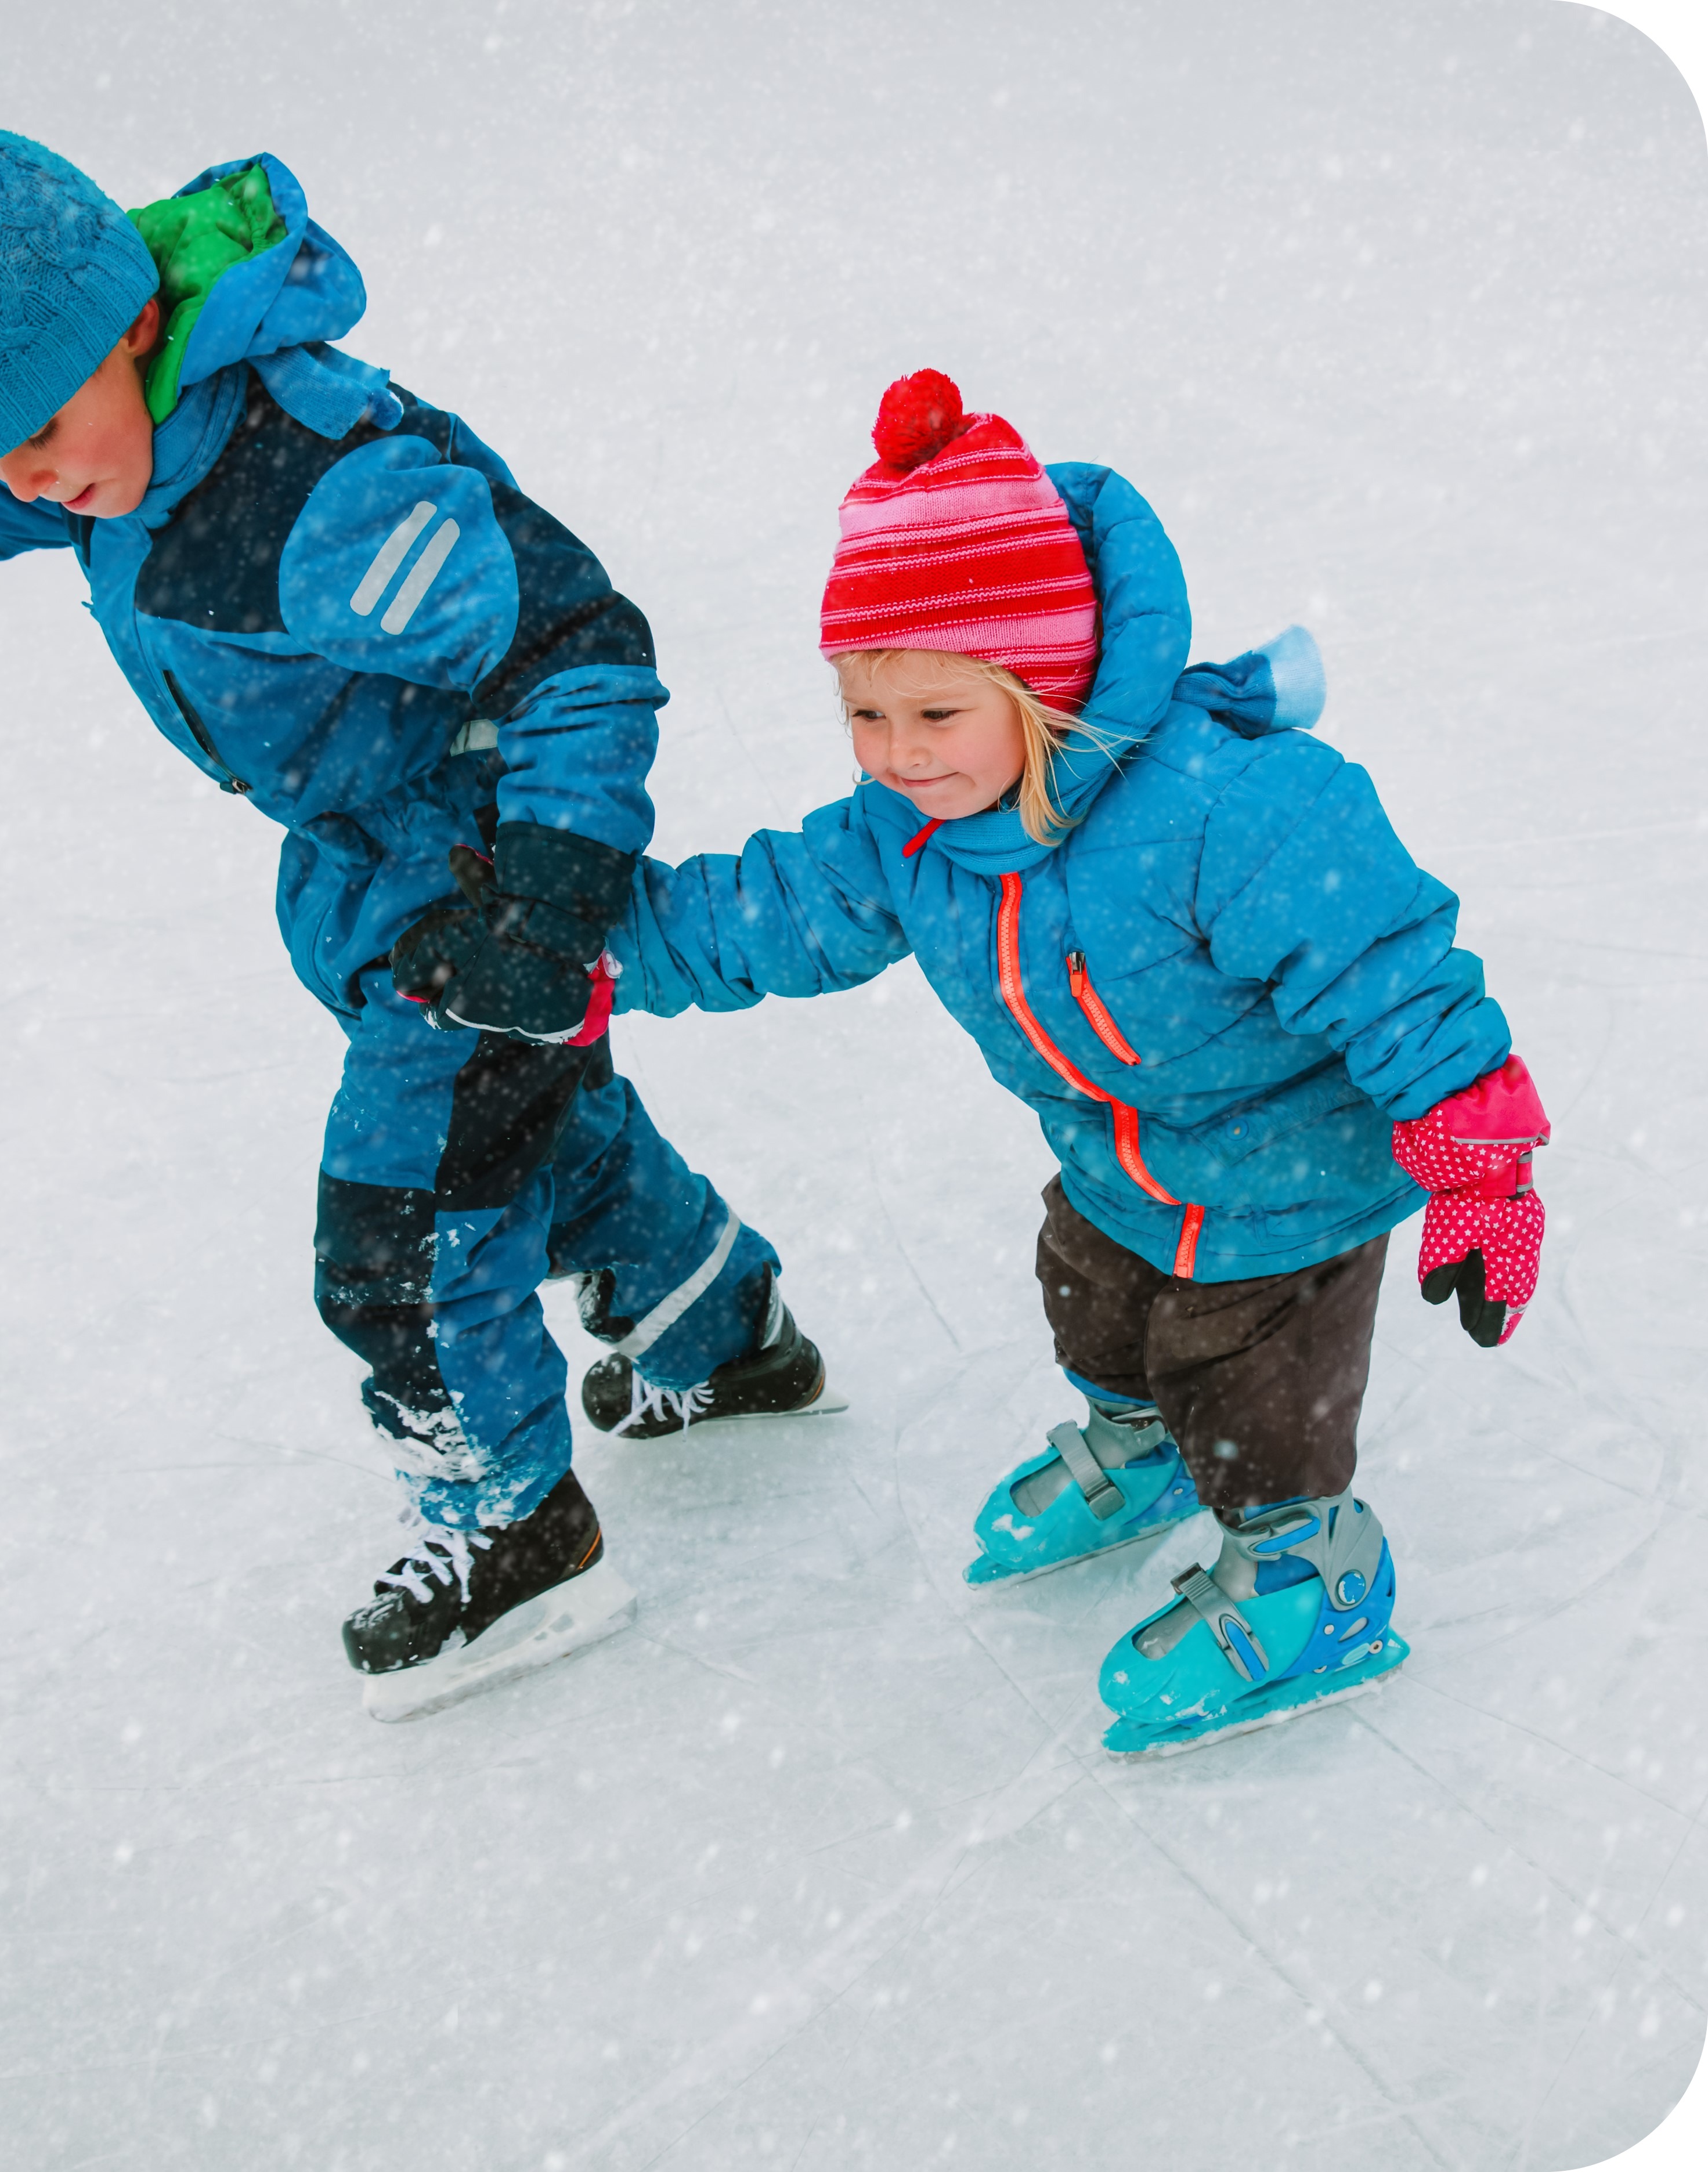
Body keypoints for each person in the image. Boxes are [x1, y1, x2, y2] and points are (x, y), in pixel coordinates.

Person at [0, 62, 842, 1723]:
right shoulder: (80, 435)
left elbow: (575, 642)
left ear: (127, 325)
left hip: (475, 882)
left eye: (46, 438)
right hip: (373, 874)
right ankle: (724, 1321)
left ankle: (516, 1530)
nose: (32, 484)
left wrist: (552, 893)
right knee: (526, 1134)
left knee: (401, 1236)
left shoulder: (310, 490)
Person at [561, 368, 1550, 1757]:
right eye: (866, 714)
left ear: (1045, 688)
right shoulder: (908, 827)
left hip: (1285, 1182)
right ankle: (1140, 1445)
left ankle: (1311, 1569)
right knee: (1091, 1298)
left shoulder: (1225, 808)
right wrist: (598, 954)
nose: (898, 757)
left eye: (937, 716)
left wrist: (1480, 1165)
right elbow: (774, 911)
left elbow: (1392, 970)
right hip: (1114, 1156)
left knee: (1248, 1385)